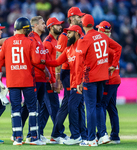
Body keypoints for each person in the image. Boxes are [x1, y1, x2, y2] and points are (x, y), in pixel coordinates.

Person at [0, 17, 45, 145]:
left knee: (15, 110)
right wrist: (44, 62)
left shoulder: (7, 42)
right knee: (32, 109)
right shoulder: (30, 42)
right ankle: (33, 137)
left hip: (13, 81)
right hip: (28, 80)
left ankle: (17, 138)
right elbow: (36, 61)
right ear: (26, 28)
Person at [75, 14, 122, 146]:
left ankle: (91, 139)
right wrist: (113, 65)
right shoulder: (103, 36)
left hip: (90, 78)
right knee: (99, 106)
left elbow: (78, 63)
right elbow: (118, 47)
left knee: (90, 108)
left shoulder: (84, 40)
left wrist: (78, 81)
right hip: (103, 78)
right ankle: (102, 135)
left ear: (83, 25)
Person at [41, 25, 86, 145]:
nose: (67, 35)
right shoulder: (68, 49)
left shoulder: (82, 46)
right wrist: (43, 61)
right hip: (73, 84)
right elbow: (57, 62)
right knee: (72, 107)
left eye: (69, 33)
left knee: (73, 107)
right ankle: (80, 135)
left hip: (80, 84)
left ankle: (78, 135)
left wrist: (82, 81)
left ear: (76, 33)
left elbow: (86, 65)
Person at [51, 7, 87, 144]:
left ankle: (79, 132)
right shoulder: (65, 36)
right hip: (67, 73)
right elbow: (59, 57)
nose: (81, 19)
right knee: (69, 104)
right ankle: (60, 133)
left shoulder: (79, 34)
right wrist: (58, 78)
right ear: (71, 18)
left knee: (76, 104)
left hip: (76, 72)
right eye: (79, 17)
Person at [20, 16, 50, 144]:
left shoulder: (39, 39)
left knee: (31, 107)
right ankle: (20, 133)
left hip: (41, 78)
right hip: (34, 78)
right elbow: (33, 59)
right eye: (43, 23)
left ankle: (28, 134)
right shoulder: (31, 38)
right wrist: (44, 68)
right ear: (35, 25)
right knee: (30, 107)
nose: (45, 25)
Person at [96, 21, 121, 144]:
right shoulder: (112, 43)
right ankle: (115, 135)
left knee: (101, 105)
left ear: (101, 31)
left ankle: (102, 133)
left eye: (99, 30)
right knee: (111, 107)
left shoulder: (106, 45)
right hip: (114, 79)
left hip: (109, 80)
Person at [39, 17, 64, 139]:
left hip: (52, 79)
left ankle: (37, 133)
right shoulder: (47, 43)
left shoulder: (55, 41)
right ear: (50, 27)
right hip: (49, 80)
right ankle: (58, 134)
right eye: (57, 25)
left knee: (44, 109)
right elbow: (47, 64)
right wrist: (53, 81)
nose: (60, 27)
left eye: (60, 25)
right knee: (54, 107)